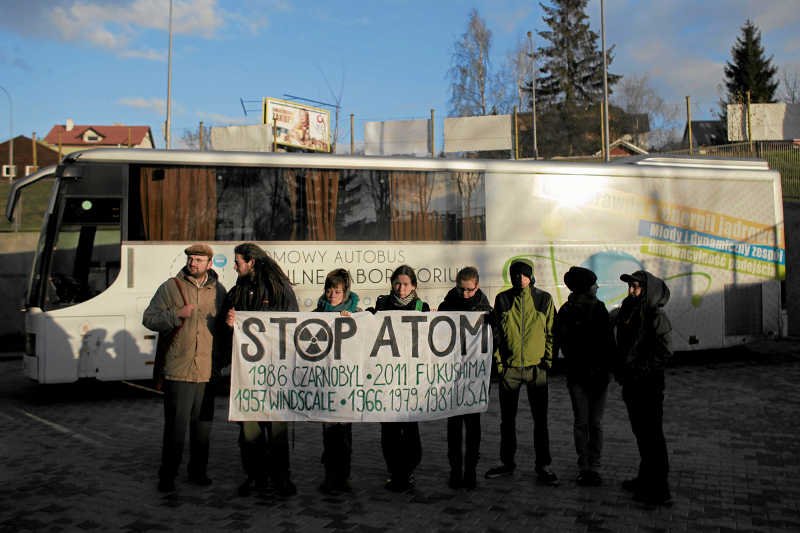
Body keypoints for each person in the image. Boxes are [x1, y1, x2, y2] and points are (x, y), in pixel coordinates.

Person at [143, 243, 226, 493]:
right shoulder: (170, 287)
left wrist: (230, 323)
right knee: (175, 428)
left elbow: (224, 330)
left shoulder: (219, 291)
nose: (194, 263)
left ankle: (198, 472)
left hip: (207, 371)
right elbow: (149, 319)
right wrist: (176, 314)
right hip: (178, 369)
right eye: (191, 259)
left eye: (199, 260)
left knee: (202, 428)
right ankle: (167, 475)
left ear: (209, 264)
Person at [221, 243, 299, 497]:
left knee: (277, 429)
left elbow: (292, 326)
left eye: (238, 261)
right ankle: (256, 477)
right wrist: (230, 324)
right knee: (249, 429)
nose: (235, 266)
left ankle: (281, 477)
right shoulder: (237, 290)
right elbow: (226, 329)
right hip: (247, 375)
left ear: (251, 262)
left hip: (275, 372)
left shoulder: (280, 290)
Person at [485, 259, 558, 486]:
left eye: (524, 275)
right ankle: (507, 463)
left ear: (531, 276)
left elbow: (551, 332)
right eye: (516, 275)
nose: (520, 278)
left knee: (540, 421)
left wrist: (547, 360)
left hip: (537, 369)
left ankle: (543, 465)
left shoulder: (543, 299)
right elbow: (495, 334)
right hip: (510, 370)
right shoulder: (503, 299)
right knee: (507, 421)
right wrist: (499, 364)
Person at [368, 265, 430, 492]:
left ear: (413, 286)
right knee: (390, 428)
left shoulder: (421, 307)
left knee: (410, 426)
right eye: (397, 283)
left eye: (405, 284)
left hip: (410, 377)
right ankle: (394, 471)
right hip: (387, 377)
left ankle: (409, 469)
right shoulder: (382, 304)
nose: (401, 288)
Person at [615, 270, 673, 505]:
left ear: (647, 290)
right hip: (631, 383)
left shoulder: (655, 316)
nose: (631, 290)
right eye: (629, 286)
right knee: (641, 434)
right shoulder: (628, 311)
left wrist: (642, 369)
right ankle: (645, 477)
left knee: (653, 436)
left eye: (636, 287)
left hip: (649, 385)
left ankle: (660, 489)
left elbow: (666, 350)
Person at [554, 266, 615, 486]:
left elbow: (608, 343)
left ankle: (592, 466)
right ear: (585, 287)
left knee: (591, 423)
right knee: (586, 422)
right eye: (593, 283)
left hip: (592, 376)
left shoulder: (597, 308)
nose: (597, 287)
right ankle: (586, 466)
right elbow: (563, 341)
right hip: (583, 376)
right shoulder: (569, 311)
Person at [437, 266, 493, 490]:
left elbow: (493, 341)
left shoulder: (486, 310)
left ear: (477, 286)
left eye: (469, 290)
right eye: (461, 289)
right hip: (451, 377)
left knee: (473, 429)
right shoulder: (446, 305)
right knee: (453, 428)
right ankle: (455, 470)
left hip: (474, 378)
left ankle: (470, 471)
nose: (465, 294)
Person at [314, 268, 361, 494]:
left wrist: (353, 322)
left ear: (345, 292)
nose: (332, 295)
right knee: (328, 432)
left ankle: (344, 476)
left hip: (346, 383)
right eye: (329, 290)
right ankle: (330, 476)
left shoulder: (355, 313)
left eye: (338, 291)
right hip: (324, 381)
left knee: (344, 433)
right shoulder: (317, 313)